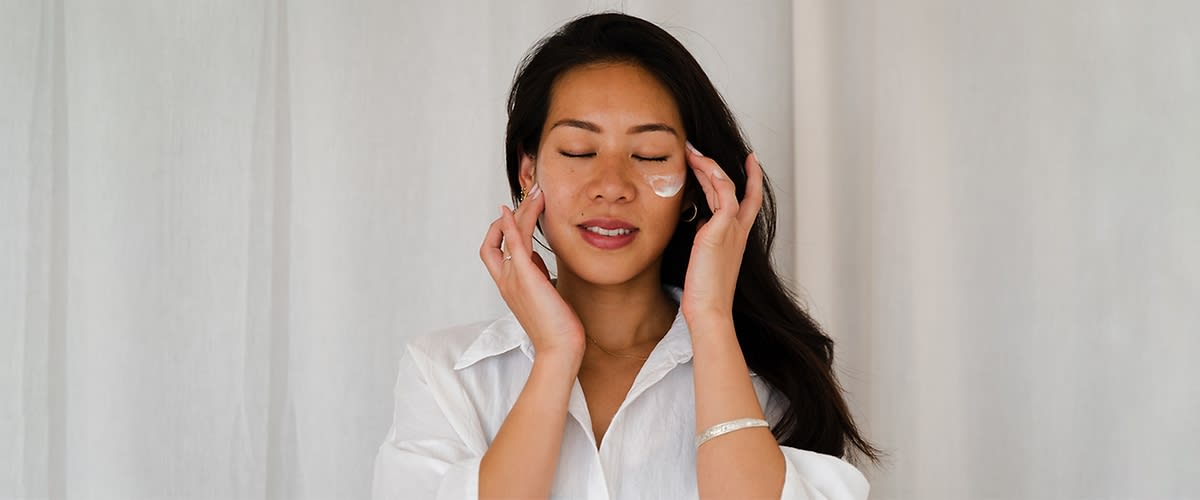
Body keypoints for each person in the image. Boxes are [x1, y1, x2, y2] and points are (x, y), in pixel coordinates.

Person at [372, 12, 881, 499]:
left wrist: (709, 318)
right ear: (528, 173)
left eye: (651, 157)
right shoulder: (445, 375)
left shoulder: (771, 382)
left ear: (693, 186)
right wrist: (555, 355)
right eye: (578, 152)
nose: (612, 186)